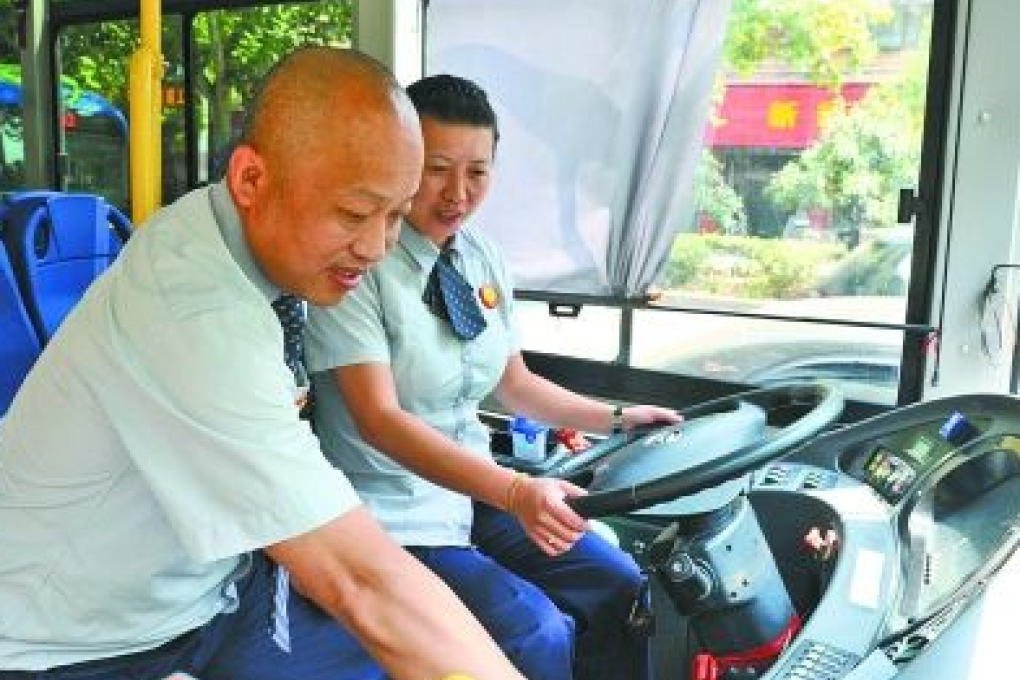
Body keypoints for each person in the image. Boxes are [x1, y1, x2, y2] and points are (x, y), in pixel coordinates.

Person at [0, 48, 527, 680]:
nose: (377, 246)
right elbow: (358, 580)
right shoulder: (195, 313)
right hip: (80, 644)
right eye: (356, 214)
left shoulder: (247, 246)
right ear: (251, 180)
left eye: (394, 214)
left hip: (212, 595)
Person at [305, 73, 682, 680]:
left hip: (474, 490)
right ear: (399, 162)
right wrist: (513, 492)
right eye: (436, 168)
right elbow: (378, 420)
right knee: (538, 632)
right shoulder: (357, 265)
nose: (457, 192)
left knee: (621, 585)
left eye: (477, 172)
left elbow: (515, 385)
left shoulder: (479, 255)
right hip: (389, 514)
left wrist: (618, 417)